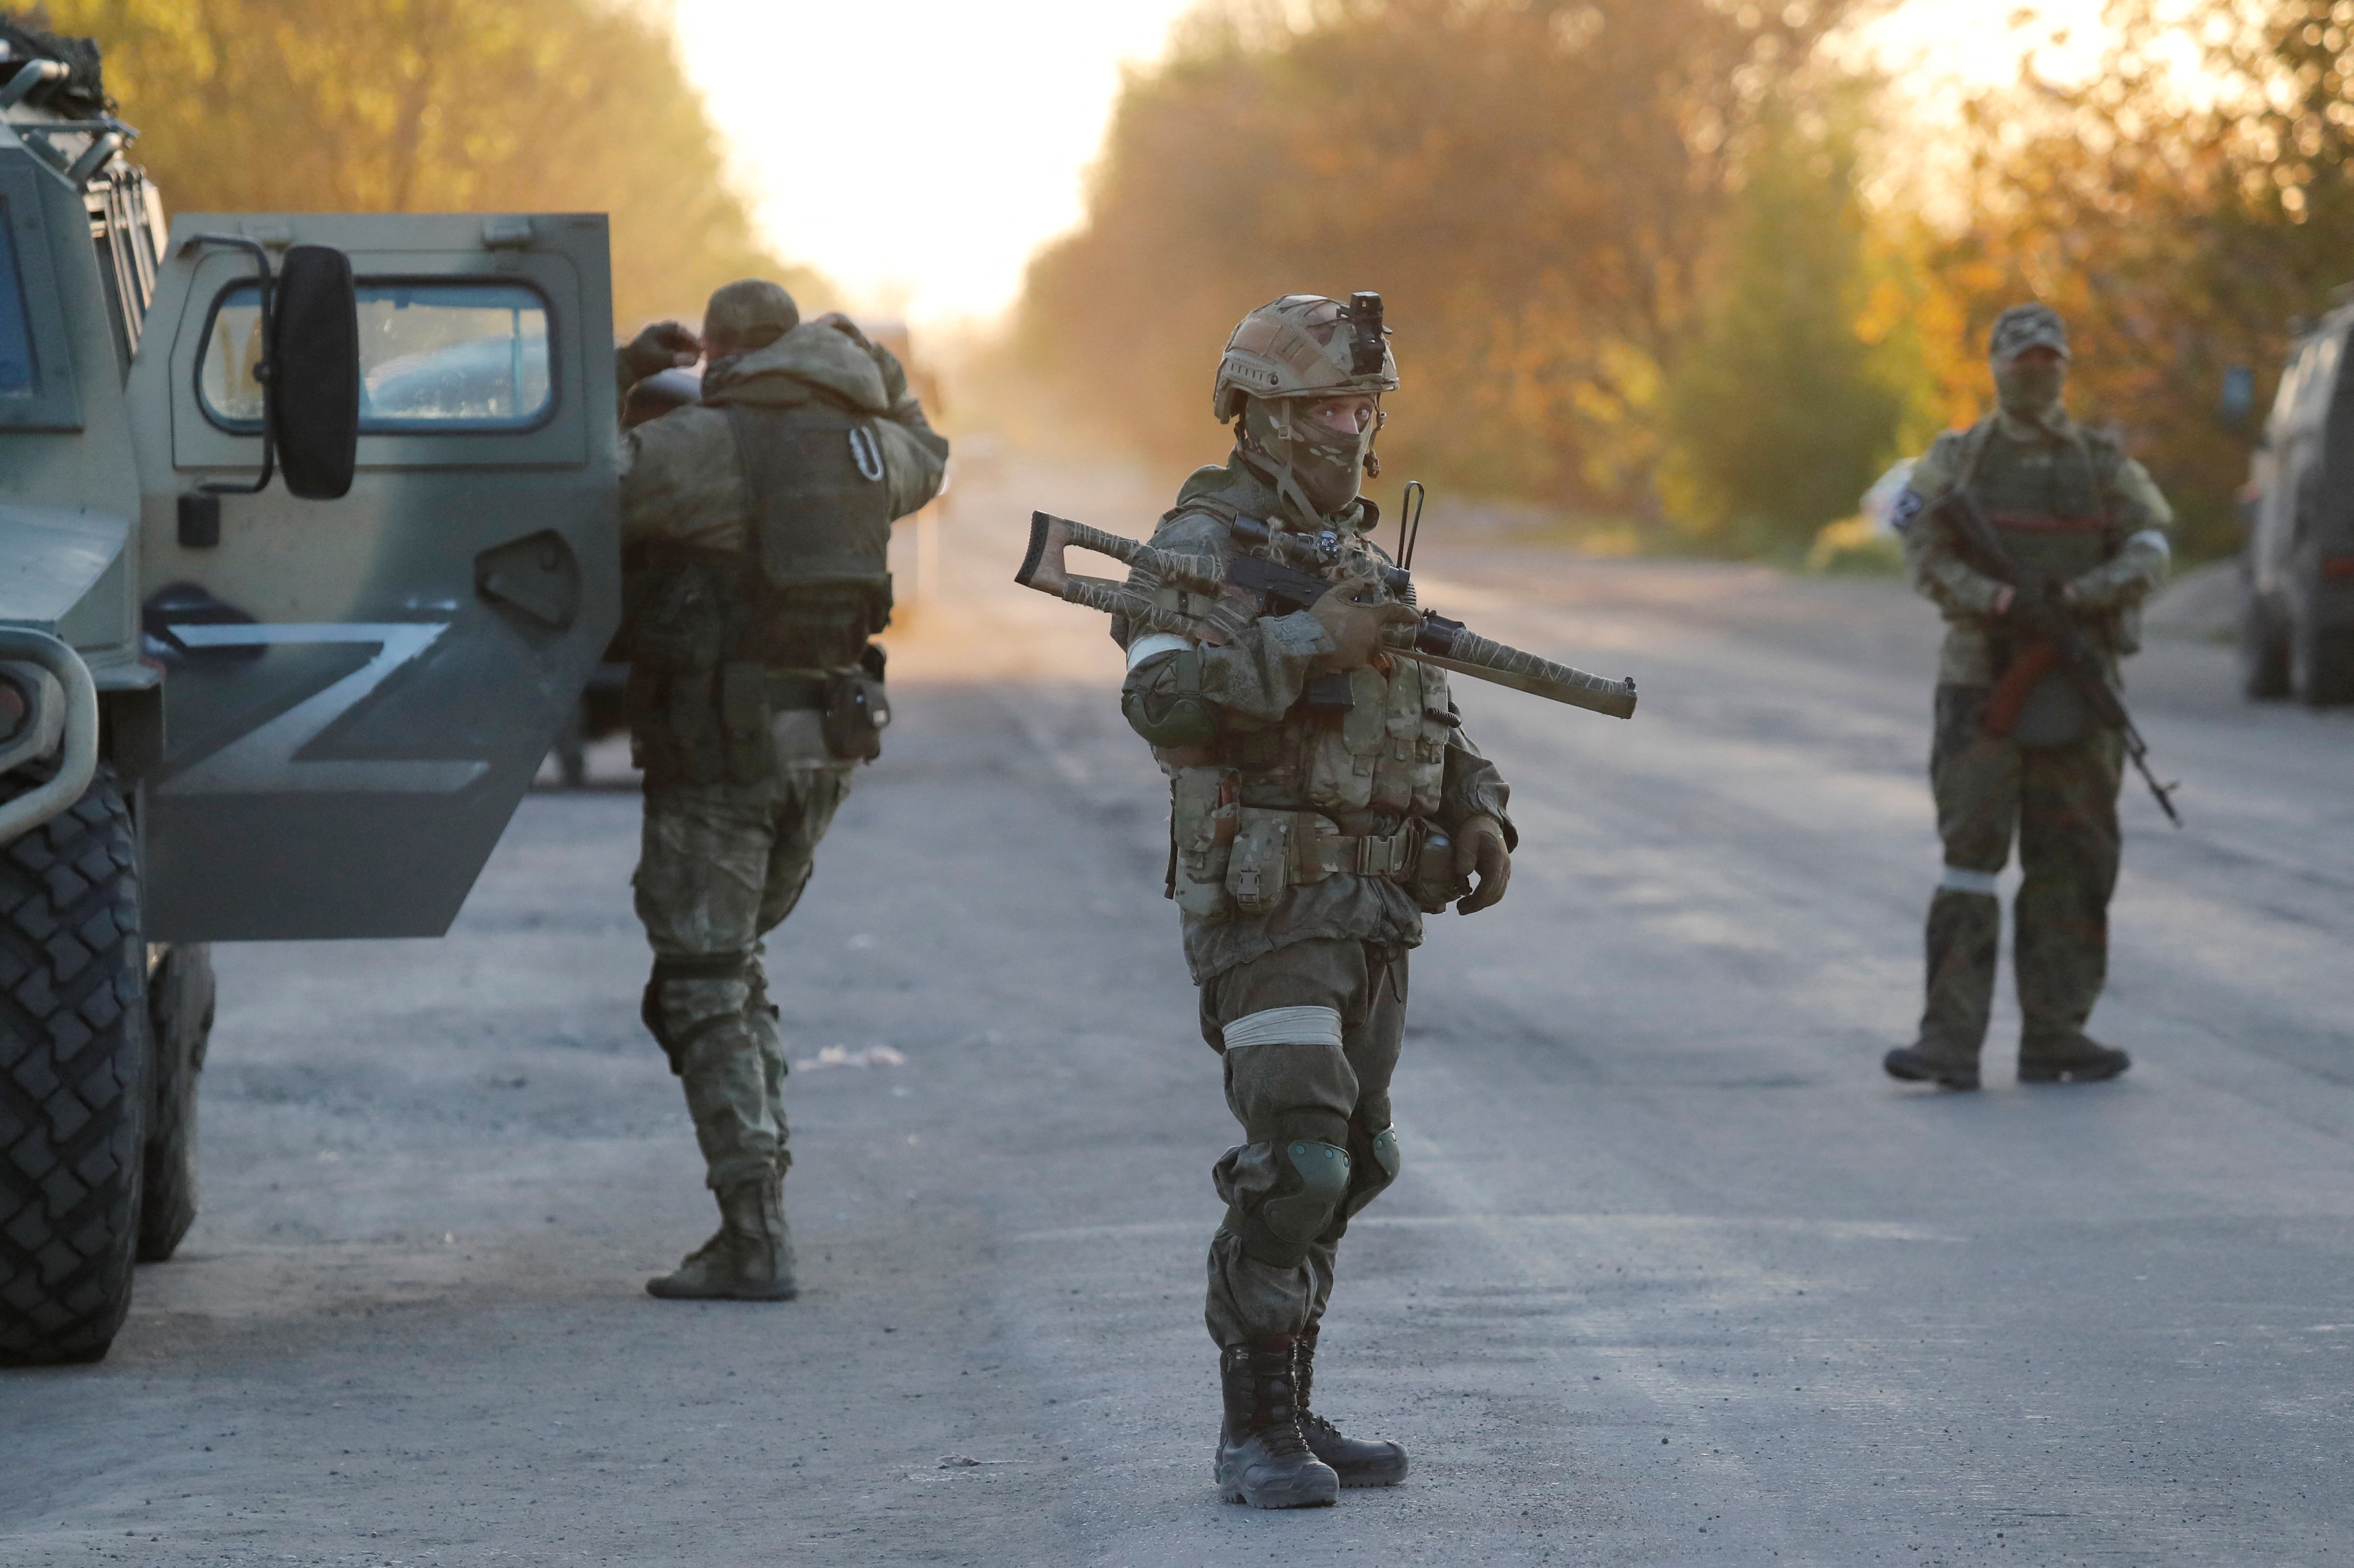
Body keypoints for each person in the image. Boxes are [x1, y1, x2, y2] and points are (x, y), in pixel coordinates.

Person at [1116, 294, 1515, 1508]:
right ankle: (1253, 1428)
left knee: (1357, 1156)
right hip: (1266, 907)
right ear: (1264, 418)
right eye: (1331, 408)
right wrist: (1306, 647)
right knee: (1296, 1159)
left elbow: (1428, 713)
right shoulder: (1197, 546)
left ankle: (1292, 1391)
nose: (1354, 427)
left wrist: (1479, 807)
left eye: (1365, 406)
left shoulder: (1355, 553)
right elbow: (1164, 703)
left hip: (1376, 906)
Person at [612, 280, 947, 1299]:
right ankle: (759, 1202)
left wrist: (630, 371)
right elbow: (928, 449)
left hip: (721, 745)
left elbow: (579, 481)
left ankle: (754, 1231)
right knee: (731, 966)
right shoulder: (868, 446)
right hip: (827, 744)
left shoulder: (705, 442)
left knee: (704, 978)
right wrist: (868, 362)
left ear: (716, 354)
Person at [1883, 303, 2172, 1091]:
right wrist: (1998, 600)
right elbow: (1920, 543)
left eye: (2049, 360)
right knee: (1971, 860)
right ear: (1997, 367)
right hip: (1983, 683)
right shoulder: (1958, 460)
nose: (2036, 374)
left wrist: (2081, 594)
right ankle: (1949, 1039)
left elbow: (2151, 545)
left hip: (2076, 684)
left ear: (2065, 367)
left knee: (2073, 861)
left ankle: (2057, 1032)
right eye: (2022, 361)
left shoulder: (2103, 464)